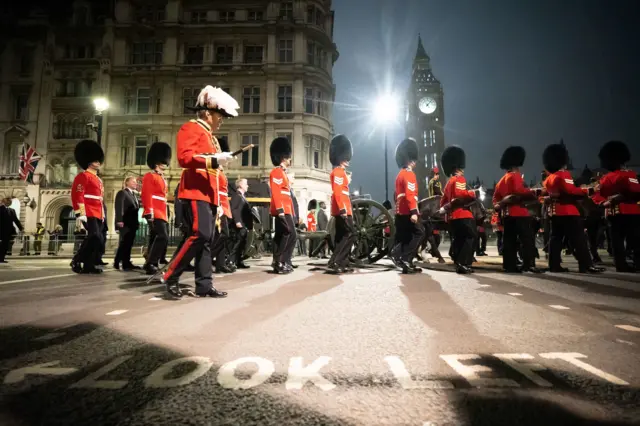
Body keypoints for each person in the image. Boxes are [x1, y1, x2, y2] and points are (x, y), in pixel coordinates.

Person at [161, 85, 237, 298]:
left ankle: (204, 284)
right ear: (207, 113)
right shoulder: (192, 127)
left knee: (206, 240)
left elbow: (213, 169)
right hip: (195, 191)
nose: (221, 119)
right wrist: (214, 159)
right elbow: (185, 158)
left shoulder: (211, 137)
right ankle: (171, 274)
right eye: (219, 115)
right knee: (200, 234)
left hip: (209, 194)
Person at [543, 143, 603, 274]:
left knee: (556, 239)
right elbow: (571, 191)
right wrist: (589, 190)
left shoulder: (549, 178)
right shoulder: (564, 174)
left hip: (555, 212)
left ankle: (554, 265)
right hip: (568, 211)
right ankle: (586, 265)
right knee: (579, 238)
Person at [492, 146, 542, 273]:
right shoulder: (516, 176)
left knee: (509, 241)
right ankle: (529, 264)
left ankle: (509, 265)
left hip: (507, 215)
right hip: (520, 213)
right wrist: (533, 193)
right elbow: (520, 192)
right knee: (527, 240)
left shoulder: (500, 181)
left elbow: (495, 200)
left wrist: (502, 204)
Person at [597, 140, 640, 272]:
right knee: (635, 240)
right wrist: (622, 197)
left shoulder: (605, 178)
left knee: (616, 241)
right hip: (630, 211)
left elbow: (598, 195)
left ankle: (620, 264)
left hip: (612, 212)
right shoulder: (629, 175)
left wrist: (606, 202)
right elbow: (636, 191)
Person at [439, 145, 479, 274]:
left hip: (452, 217)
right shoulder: (459, 179)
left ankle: (458, 263)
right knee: (470, 237)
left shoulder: (449, 182)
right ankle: (464, 263)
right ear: (458, 167)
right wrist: (473, 193)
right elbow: (460, 195)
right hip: (462, 214)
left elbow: (443, 201)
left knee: (459, 240)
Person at [70, 139, 105, 274]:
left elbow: (99, 199)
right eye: (94, 160)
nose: (98, 162)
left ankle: (88, 265)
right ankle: (77, 259)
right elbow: (78, 194)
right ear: (88, 161)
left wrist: (103, 214)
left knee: (97, 239)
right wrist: (81, 212)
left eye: (98, 160)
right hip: (89, 211)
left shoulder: (98, 179)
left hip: (98, 212)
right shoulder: (83, 176)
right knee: (94, 236)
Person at [391, 138, 424, 274]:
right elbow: (410, 195)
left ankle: (401, 256)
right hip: (407, 210)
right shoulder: (409, 174)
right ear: (411, 159)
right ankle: (405, 259)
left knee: (406, 236)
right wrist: (414, 212)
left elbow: (397, 195)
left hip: (400, 210)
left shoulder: (400, 175)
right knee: (419, 233)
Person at [327, 134, 357, 273]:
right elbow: (338, 193)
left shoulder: (340, 173)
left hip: (341, 208)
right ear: (340, 157)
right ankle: (337, 261)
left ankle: (339, 261)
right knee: (350, 233)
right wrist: (344, 210)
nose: (348, 161)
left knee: (341, 236)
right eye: (345, 158)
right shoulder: (338, 172)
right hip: (342, 209)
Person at [141, 142, 171, 275]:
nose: (165, 164)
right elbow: (146, 194)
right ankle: (152, 262)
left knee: (154, 238)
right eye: (162, 162)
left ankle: (150, 263)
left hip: (162, 211)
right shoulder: (150, 176)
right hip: (155, 211)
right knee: (162, 236)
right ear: (157, 163)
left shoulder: (162, 177)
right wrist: (149, 211)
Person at [268, 137, 296, 274]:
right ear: (284, 157)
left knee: (282, 234)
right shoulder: (277, 172)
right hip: (282, 210)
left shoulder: (283, 173)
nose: (291, 159)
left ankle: (280, 261)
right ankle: (280, 261)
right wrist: (280, 210)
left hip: (286, 209)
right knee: (289, 233)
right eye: (289, 157)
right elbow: (276, 193)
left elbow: (285, 193)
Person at [211, 137, 234, 274]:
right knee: (222, 234)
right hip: (219, 205)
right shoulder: (216, 171)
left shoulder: (220, 171)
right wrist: (218, 205)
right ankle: (207, 259)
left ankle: (220, 263)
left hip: (224, 205)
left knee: (223, 236)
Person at [114, 176, 141, 270]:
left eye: (136, 182)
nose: (135, 183)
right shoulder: (122, 193)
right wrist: (119, 220)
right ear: (127, 183)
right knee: (124, 242)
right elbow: (119, 206)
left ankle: (126, 262)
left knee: (128, 243)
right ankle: (118, 262)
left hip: (132, 223)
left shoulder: (134, 195)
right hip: (125, 222)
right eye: (133, 181)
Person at [230, 177, 252, 268]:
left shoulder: (242, 196)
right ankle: (231, 261)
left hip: (244, 224)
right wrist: (237, 221)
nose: (247, 186)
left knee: (242, 243)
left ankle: (239, 261)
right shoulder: (236, 195)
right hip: (239, 224)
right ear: (240, 185)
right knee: (237, 243)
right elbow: (234, 209)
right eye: (246, 184)